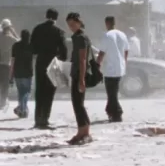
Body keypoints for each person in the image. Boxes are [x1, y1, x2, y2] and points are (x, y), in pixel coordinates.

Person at [30, 8, 67, 130]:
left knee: (39, 91)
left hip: (40, 63)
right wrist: (60, 59)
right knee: (49, 91)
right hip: (53, 64)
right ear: (56, 18)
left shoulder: (37, 29)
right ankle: (45, 119)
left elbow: (32, 49)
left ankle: (38, 120)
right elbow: (64, 51)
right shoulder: (59, 31)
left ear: (46, 16)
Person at [97, 16, 130, 122]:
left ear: (107, 23)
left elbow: (101, 53)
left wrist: (97, 65)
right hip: (120, 68)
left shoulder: (107, 35)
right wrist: (124, 63)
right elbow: (126, 51)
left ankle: (117, 113)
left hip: (110, 69)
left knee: (111, 93)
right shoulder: (122, 35)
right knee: (113, 92)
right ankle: (110, 111)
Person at [67, 12, 94, 145]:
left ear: (79, 22)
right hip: (77, 73)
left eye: (73, 24)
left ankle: (85, 132)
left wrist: (82, 79)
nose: (71, 27)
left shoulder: (81, 38)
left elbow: (83, 59)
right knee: (77, 103)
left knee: (79, 103)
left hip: (79, 74)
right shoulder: (78, 37)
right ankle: (81, 131)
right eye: (69, 25)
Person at [0, 20, 18, 111]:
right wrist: (14, 32)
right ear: (9, 27)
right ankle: (2, 104)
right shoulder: (11, 39)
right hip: (6, 65)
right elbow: (19, 42)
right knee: (4, 85)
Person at [11, 29, 35, 119]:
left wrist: (11, 75)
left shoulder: (15, 46)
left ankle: (21, 108)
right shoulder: (31, 46)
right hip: (28, 72)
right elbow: (35, 57)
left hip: (17, 72)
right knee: (26, 92)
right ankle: (23, 108)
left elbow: (12, 61)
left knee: (21, 92)